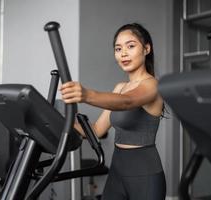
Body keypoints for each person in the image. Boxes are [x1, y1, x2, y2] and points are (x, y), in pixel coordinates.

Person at [60, 23, 166, 200]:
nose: (123, 53)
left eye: (130, 46)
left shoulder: (152, 85)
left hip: (145, 176)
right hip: (117, 172)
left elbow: (127, 102)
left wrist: (86, 94)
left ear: (146, 48)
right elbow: (96, 130)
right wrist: (58, 121)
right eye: (118, 48)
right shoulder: (120, 88)